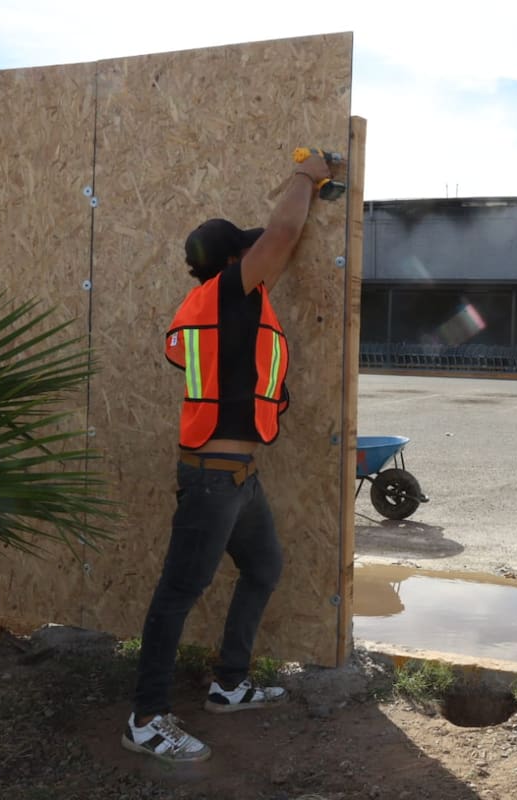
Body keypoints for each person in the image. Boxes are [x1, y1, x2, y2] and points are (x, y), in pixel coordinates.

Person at [122, 151, 333, 764]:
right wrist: (308, 175)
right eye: (248, 249)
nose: (261, 253)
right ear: (231, 263)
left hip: (240, 481)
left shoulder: (222, 308)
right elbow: (285, 232)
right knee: (176, 593)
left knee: (264, 567)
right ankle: (146, 718)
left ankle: (228, 683)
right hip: (213, 481)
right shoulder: (226, 294)